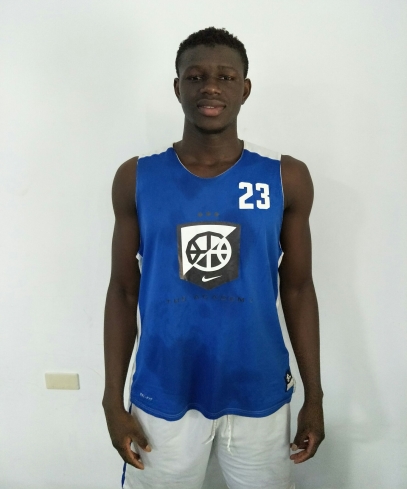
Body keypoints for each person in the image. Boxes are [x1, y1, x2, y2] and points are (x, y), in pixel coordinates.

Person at [103, 27, 324, 489]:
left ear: (245, 88)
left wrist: (315, 396)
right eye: (196, 76)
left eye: (226, 77)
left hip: (259, 389)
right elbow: (123, 291)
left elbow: (299, 288)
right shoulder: (136, 177)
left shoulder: (285, 177)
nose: (211, 87)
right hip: (163, 391)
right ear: (177, 86)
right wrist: (111, 400)